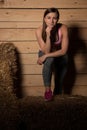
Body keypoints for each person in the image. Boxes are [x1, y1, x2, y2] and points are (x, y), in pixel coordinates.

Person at [35, 7, 69, 101]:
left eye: (54, 18)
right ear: (44, 18)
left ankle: (57, 93)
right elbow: (46, 51)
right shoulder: (39, 30)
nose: (51, 21)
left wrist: (45, 56)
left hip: (59, 54)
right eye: (48, 17)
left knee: (60, 79)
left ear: (57, 19)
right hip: (45, 51)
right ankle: (47, 90)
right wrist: (48, 35)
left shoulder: (63, 28)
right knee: (49, 60)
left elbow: (64, 51)